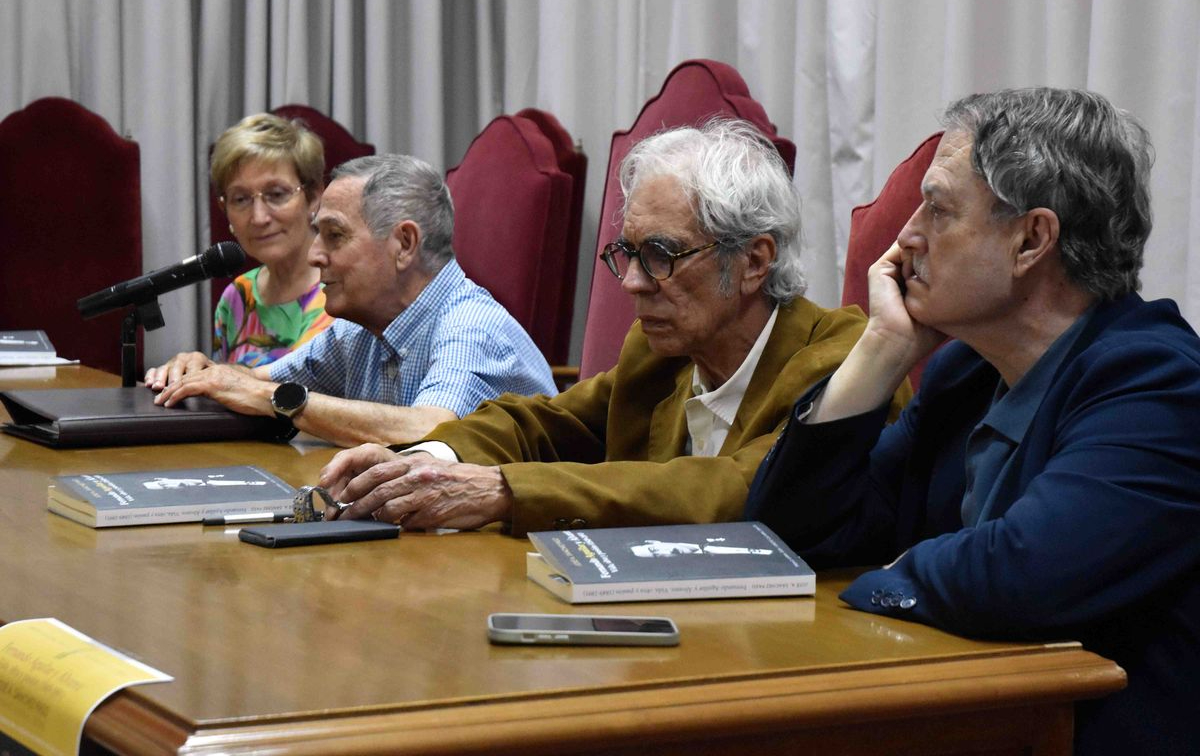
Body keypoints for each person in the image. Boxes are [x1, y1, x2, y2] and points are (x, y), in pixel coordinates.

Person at [745, 88, 1200, 755]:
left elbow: (1022, 575)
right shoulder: (966, 374)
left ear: (1031, 240)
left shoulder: (1159, 385)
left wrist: (892, 571)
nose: (906, 237)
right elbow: (794, 534)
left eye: (939, 208)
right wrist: (881, 351)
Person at [319, 118, 909, 533]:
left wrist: (503, 491)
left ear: (754, 261)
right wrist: (430, 461)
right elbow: (539, 423)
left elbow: (734, 489)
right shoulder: (662, 354)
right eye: (626, 253)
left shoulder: (839, 361)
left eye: (662, 254)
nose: (631, 283)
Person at [145, 154, 556, 447]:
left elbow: (431, 429)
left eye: (334, 236)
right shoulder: (357, 330)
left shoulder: (470, 326)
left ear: (404, 244)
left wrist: (272, 398)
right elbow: (260, 383)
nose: (314, 255)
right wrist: (205, 373)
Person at [210, 113, 334, 366]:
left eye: (276, 194)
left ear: (313, 197)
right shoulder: (237, 296)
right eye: (241, 199)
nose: (258, 217)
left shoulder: (342, 292)